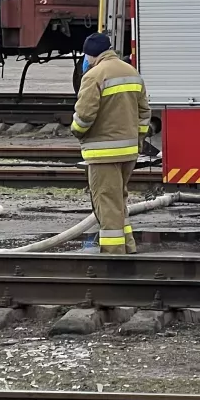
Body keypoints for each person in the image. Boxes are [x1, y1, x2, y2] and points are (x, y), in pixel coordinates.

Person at [72, 32, 149, 254]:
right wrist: (138, 139)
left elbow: (85, 115)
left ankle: (113, 254)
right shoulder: (131, 72)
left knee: (106, 203)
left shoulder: (94, 76)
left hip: (103, 153)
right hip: (129, 152)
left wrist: (77, 131)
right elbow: (144, 113)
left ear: (91, 54)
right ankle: (128, 246)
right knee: (118, 201)